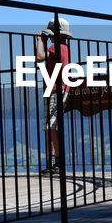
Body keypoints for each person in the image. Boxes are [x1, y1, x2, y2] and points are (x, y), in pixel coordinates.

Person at [33, 16, 72, 174]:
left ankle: (55, 164)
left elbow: (39, 57)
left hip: (55, 90)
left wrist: (40, 41)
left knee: (51, 127)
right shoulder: (64, 47)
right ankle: (54, 163)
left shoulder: (56, 47)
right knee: (52, 128)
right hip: (58, 89)